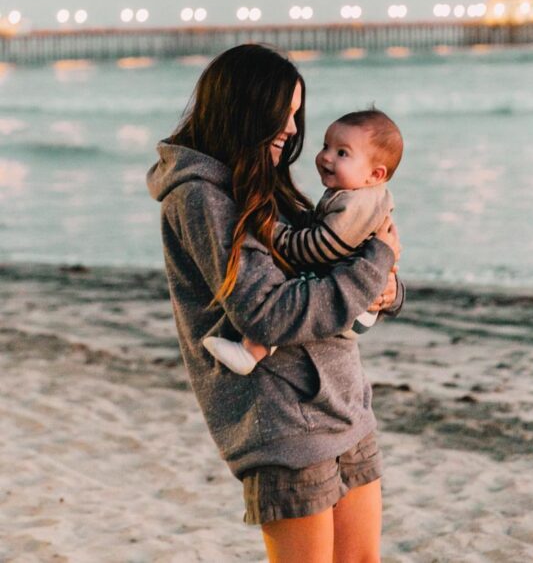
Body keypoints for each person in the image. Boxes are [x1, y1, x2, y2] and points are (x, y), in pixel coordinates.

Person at [147, 44, 404, 562]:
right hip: (282, 422)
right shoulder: (199, 197)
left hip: (345, 404)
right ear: (246, 109)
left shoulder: (267, 183)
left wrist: (391, 290)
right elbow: (267, 313)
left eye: (295, 114)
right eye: (282, 114)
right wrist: (377, 261)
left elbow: (338, 265)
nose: (291, 129)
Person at [203, 108, 404, 375]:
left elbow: (321, 247)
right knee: (296, 292)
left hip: (355, 309)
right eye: (326, 146)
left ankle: (251, 352)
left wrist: (275, 234)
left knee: (296, 290)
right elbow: (331, 232)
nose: (326, 157)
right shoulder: (353, 195)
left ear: (375, 175)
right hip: (357, 300)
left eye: (342, 153)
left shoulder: (358, 203)